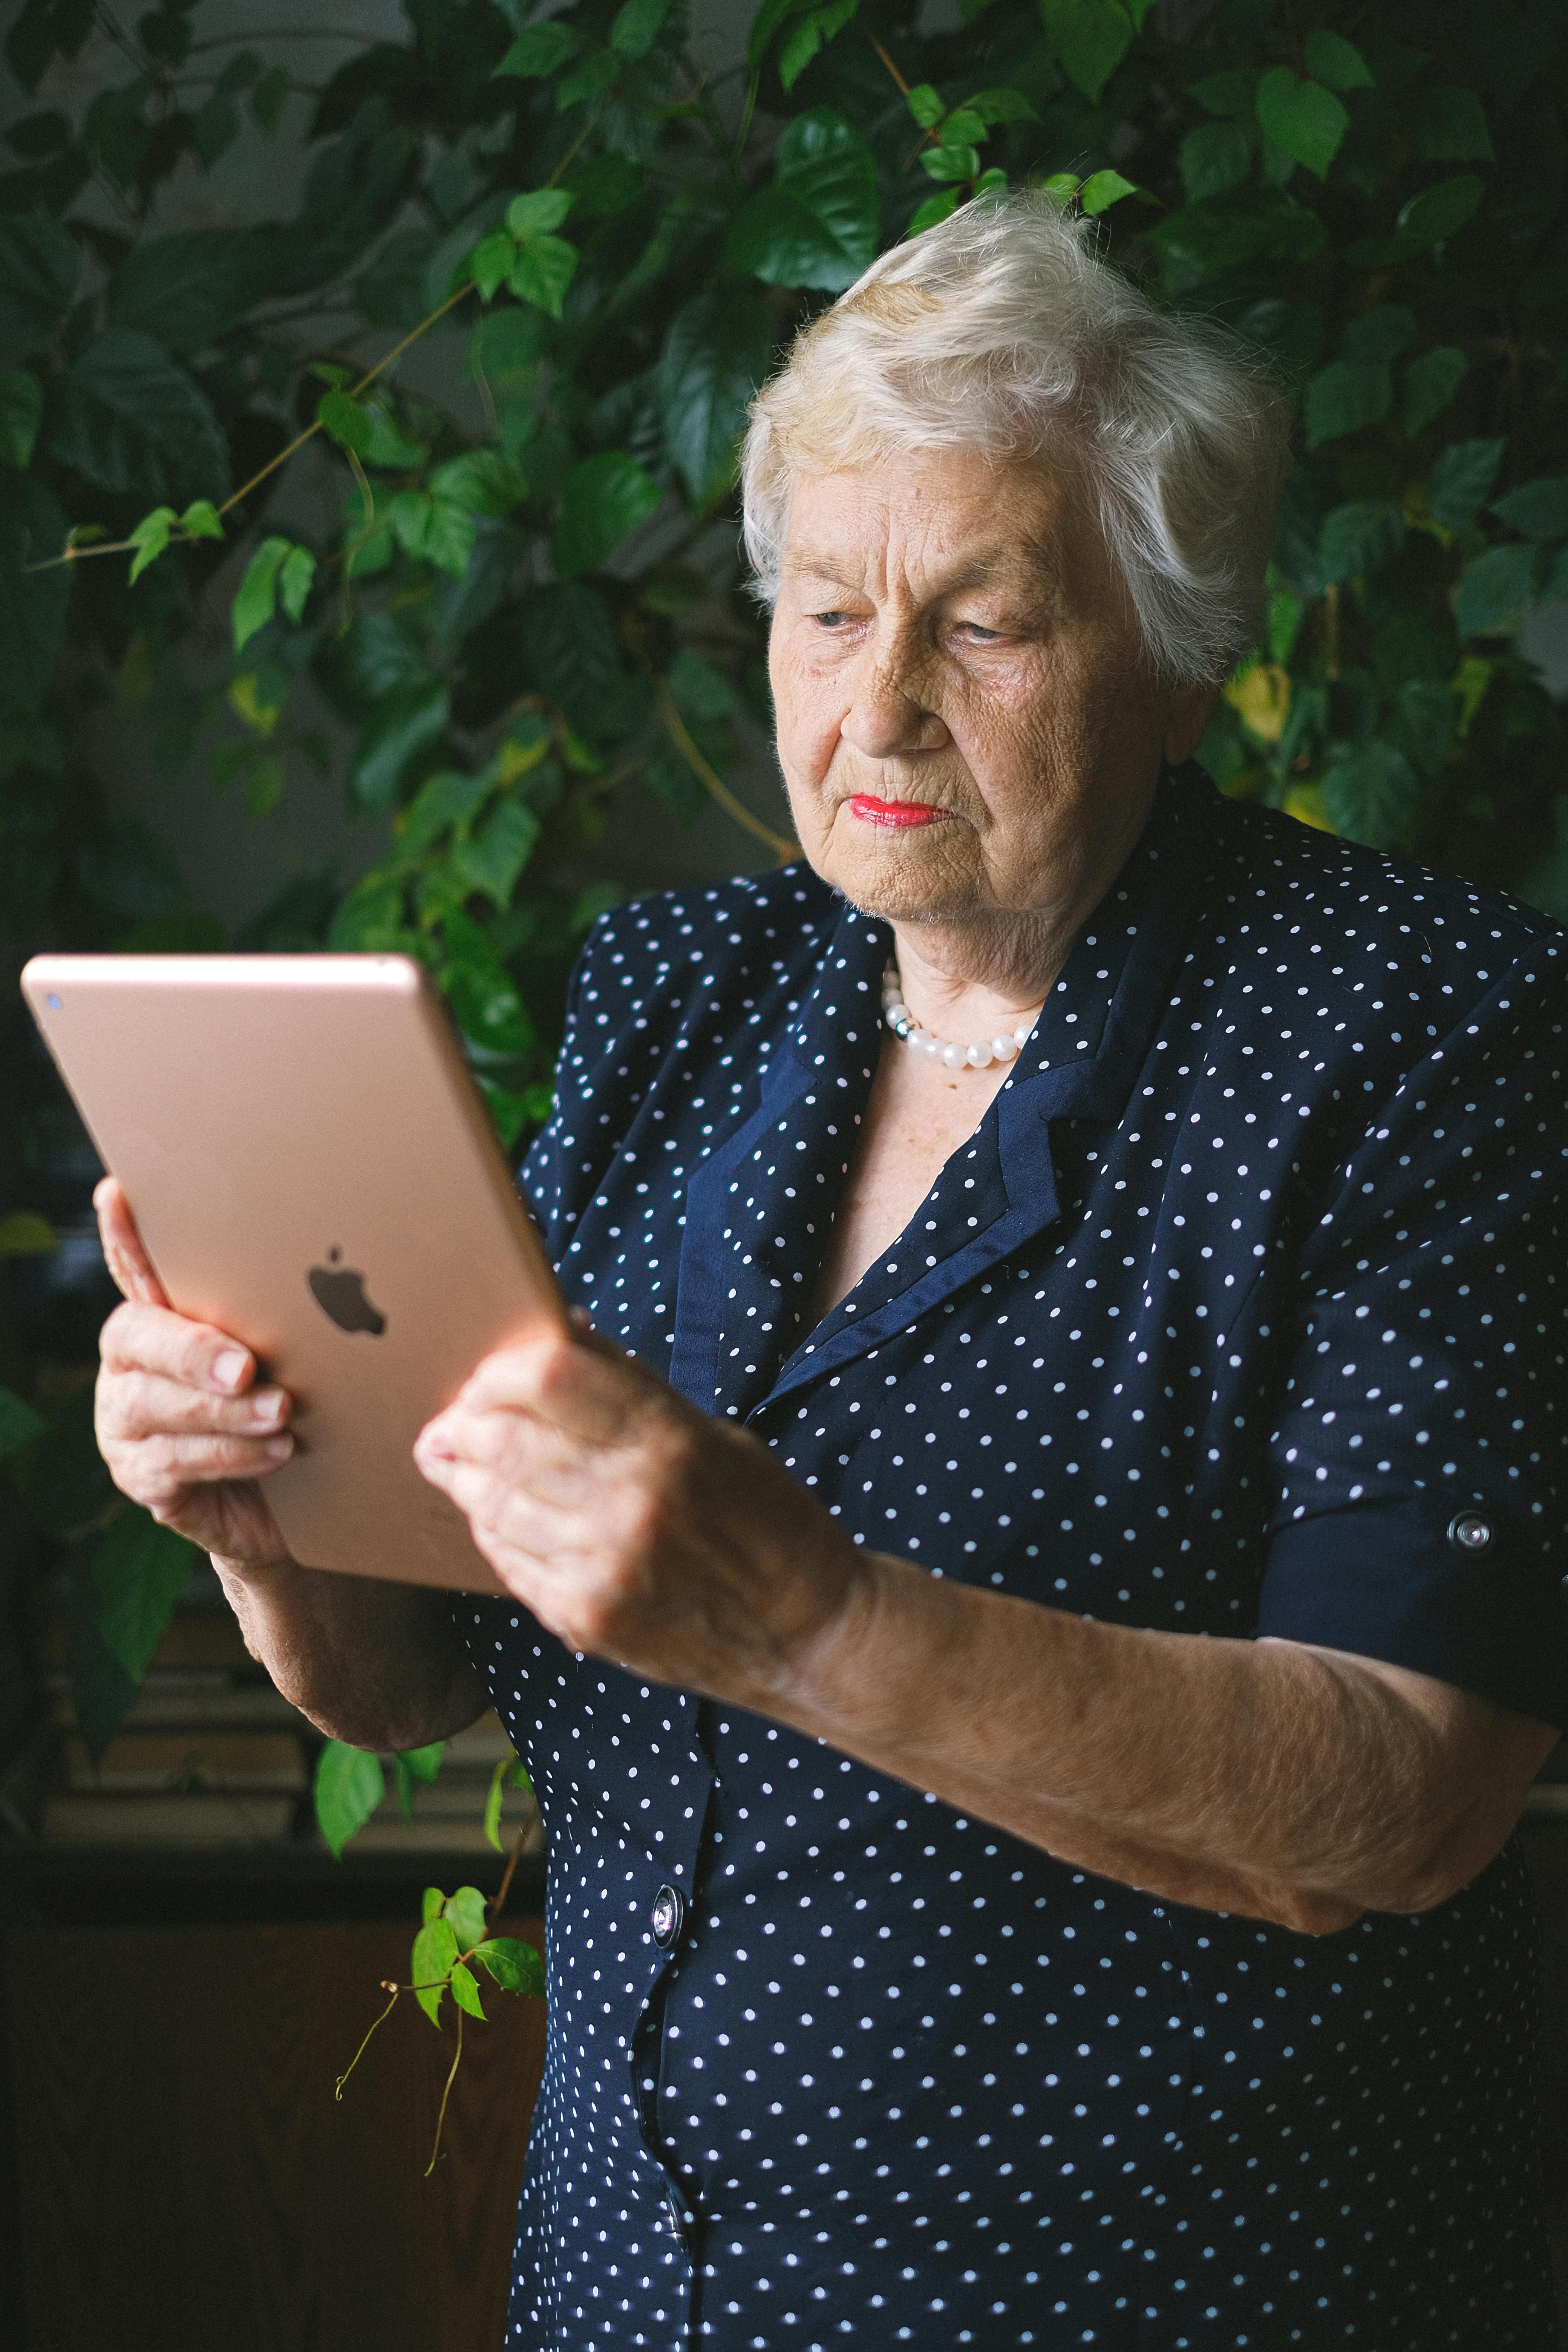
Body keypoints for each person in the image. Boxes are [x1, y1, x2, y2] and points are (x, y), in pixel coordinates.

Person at [93, 193, 1568, 2350]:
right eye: (825, 613)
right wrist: (270, 1535)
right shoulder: (680, 993)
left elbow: (1400, 1793)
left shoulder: (1419, 1031)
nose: (876, 709)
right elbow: (439, 1678)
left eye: (984, 626)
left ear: (1170, 658)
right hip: (634, 2290)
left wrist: (805, 1614)